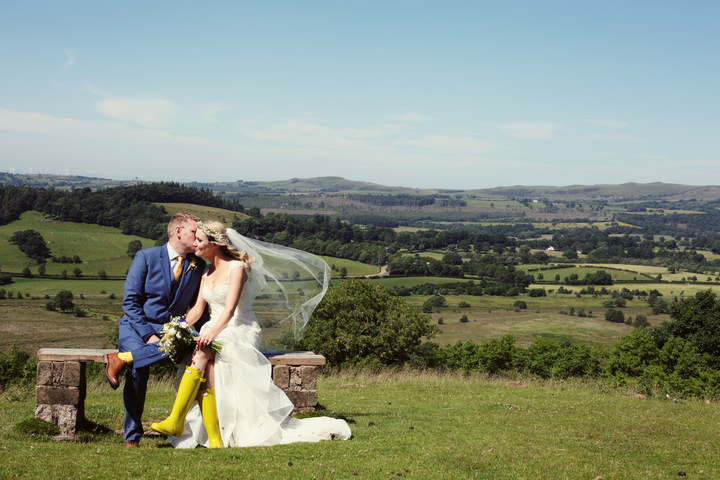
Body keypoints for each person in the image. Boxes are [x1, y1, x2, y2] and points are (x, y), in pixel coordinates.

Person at [150, 221, 351, 448]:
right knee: (206, 366)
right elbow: (197, 309)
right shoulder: (207, 271)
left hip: (240, 327)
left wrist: (211, 335)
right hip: (214, 327)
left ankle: (177, 419)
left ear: (215, 244)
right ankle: (214, 437)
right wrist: (178, 328)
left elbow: (230, 309)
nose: (194, 244)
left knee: (203, 351)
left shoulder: (236, 268)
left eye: (199, 240)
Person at [104, 213, 208, 447]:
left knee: (200, 354)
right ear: (178, 232)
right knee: (136, 371)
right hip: (136, 325)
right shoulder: (146, 257)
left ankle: (117, 360)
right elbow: (130, 303)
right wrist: (148, 335)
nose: (199, 236)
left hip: (174, 330)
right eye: (195, 231)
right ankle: (132, 436)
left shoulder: (198, 265)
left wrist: (205, 334)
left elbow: (200, 308)